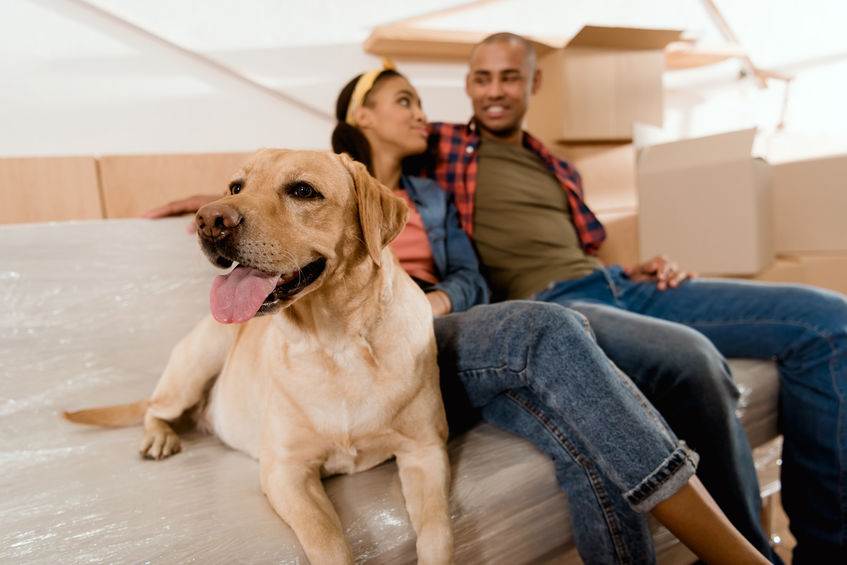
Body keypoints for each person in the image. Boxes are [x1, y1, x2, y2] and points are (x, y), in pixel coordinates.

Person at [144, 63, 773, 565]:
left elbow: (473, 275)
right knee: (559, 349)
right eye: (404, 102)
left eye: (422, 103)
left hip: (425, 319)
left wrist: (437, 300)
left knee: (670, 358)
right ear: (361, 116)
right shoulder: (310, 172)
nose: (423, 114)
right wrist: (222, 209)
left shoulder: (436, 192)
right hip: (385, 328)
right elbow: (257, 198)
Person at [424, 32, 847, 564]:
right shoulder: (437, 150)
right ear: (467, 84)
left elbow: (575, 249)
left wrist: (633, 267)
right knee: (691, 358)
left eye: (509, 76)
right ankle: (752, 554)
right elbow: (374, 147)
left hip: (616, 284)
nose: (495, 91)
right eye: (482, 78)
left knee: (829, 321)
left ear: (533, 82)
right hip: (557, 307)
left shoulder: (557, 168)